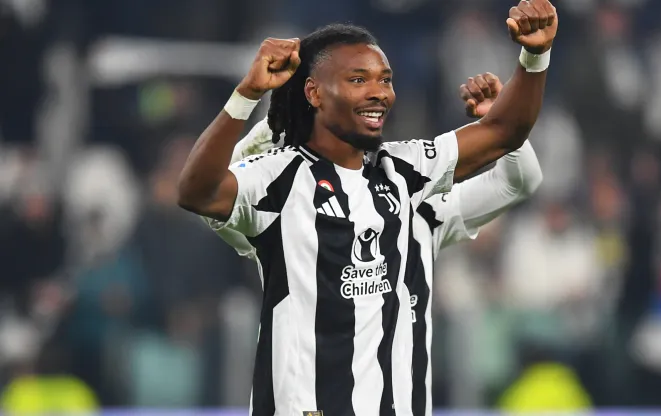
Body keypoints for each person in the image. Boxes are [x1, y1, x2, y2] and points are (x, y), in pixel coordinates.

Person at [177, 2, 557, 414]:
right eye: (359, 79)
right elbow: (198, 192)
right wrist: (247, 96)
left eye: (385, 79)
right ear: (314, 92)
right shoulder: (277, 177)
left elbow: (505, 133)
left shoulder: (406, 173)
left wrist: (534, 57)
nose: (379, 91)